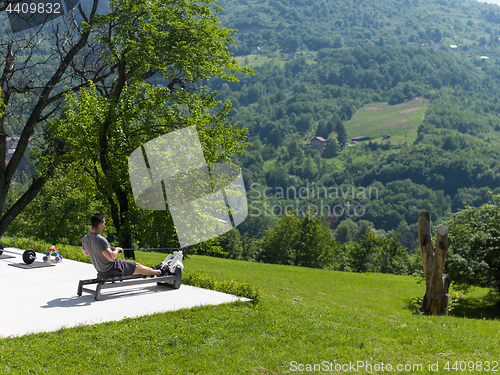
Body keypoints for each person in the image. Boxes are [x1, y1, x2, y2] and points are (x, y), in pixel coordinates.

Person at [82, 213, 168, 278]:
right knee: (136, 265)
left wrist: (102, 252)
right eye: (104, 223)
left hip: (101, 270)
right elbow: (112, 258)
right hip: (111, 269)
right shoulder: (100, 240)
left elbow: (86, 253)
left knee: (135, 266)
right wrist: (116, 250)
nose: (104, 225)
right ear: (100, 224)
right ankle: (160, 273)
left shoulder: (85, 238)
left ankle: (152, 270)